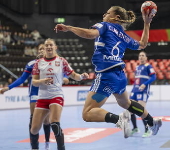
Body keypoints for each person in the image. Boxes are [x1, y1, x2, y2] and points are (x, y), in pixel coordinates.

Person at [54, 6, 162, 138]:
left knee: (87, 114)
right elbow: (143, 44)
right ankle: (152, 122)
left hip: (106, 75)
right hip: (120, 76)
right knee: (125, 103)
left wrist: (69, 28)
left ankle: (119, 120)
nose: (104, 14)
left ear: (115, 17)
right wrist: (147, 23)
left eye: (108, 12)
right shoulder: (125, 36)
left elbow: (89, 34)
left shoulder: (105, 25)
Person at [0, 43, 70, 150]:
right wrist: (7, 88)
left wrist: (65, 78)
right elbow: (22, 79)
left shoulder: (55, 62)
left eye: (44, 49)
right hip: (34, 94)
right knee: (33, 120)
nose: (42, 50)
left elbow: (64, 73)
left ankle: (47, 143)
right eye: (40, 49)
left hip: (48, 94)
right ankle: (34, 146)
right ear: (38, 51)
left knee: (47, 121)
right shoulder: (33, 64)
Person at [30, 38, 89, 150]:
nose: (49, 47)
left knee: (54, 123)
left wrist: (81, 76)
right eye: (47, 45)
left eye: (51, 45)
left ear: (55, 47)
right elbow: (34, 82)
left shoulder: (61, 61)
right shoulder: (38, 63)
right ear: (44, 48)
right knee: (34, 129)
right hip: (42, 97)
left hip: (56, 95)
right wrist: (42, 81)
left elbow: (73, 75)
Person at [129, 51, 156, 137]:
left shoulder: (149, 66)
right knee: (130, 110)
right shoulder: (137, 67)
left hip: (143, 91)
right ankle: (135, 128)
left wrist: (145, 84)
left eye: (143, 55)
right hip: (135, 90)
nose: (141, 57)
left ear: (146, 58)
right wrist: (132, 90)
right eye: (140, 55)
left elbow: (153, 77)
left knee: (141, 110)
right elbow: (137, 80)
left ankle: (147, 130)